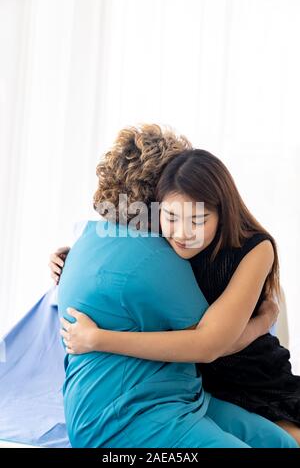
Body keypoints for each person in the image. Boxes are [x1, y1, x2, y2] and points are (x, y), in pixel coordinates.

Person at [54, 125, 298, 448]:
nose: (182, 233)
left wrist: (264, 320)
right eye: (169, 216)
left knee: (287, 439)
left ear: (220, 212)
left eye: (197, 220)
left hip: (247, 369)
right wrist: (67, 258)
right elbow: (121, 274)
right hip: (200, 378)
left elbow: (210, 344)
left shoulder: (253, 248)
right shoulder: (161, 245)